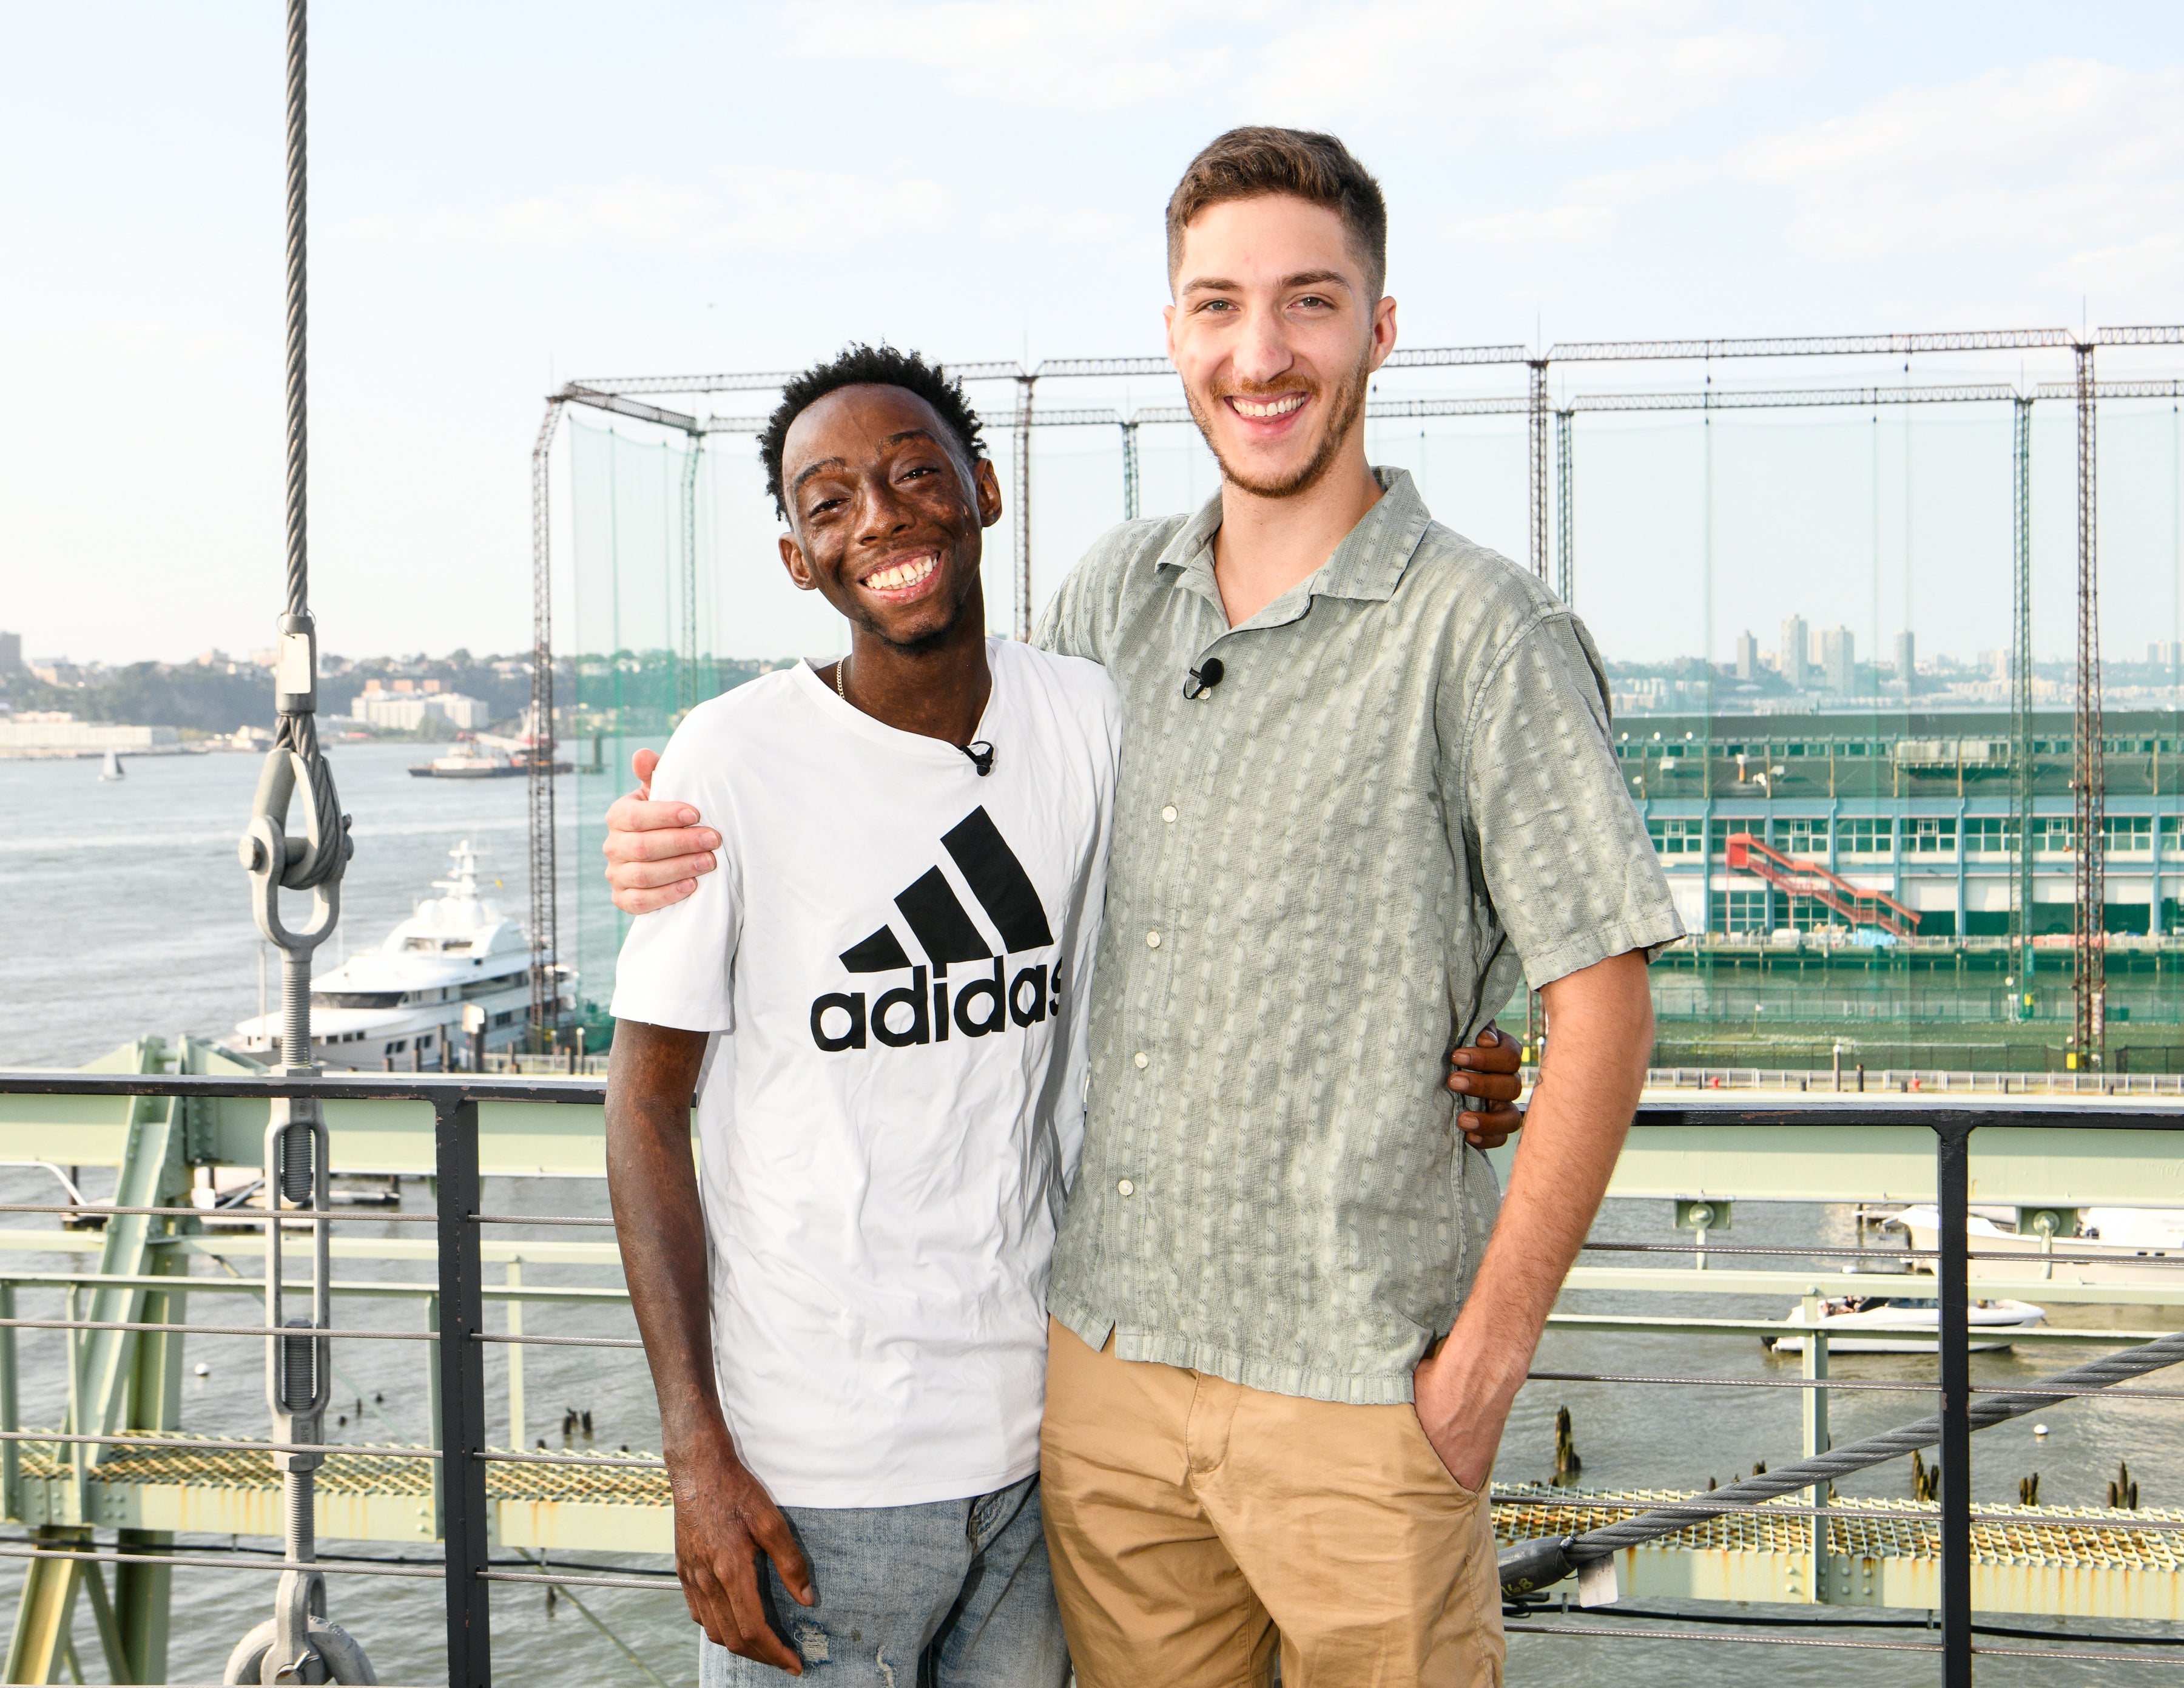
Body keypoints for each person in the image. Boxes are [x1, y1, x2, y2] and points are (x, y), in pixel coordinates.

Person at [605, 126, 1659, 1688]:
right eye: (1219, 304)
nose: (1262, 350)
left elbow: (1604, 989)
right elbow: (930, 771)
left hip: (1355, 1386)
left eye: (1309, 302)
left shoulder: (1483, 625)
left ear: (1380, 326)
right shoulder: (1111, 605)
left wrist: (1485, 1359)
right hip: (1097, 1394)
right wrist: (672, 827)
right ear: (1174, 333)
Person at [604, 346, 1118, 1687]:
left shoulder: (1085, 719)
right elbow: (645, 1105)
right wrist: (696, 1455)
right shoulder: (732, 757)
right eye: (829, 502)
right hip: (811, 1483)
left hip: (1038, 1455)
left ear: (983, 490)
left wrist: (1460, 1045)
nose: (879, 519)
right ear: (799, 559)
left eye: (912, 475)